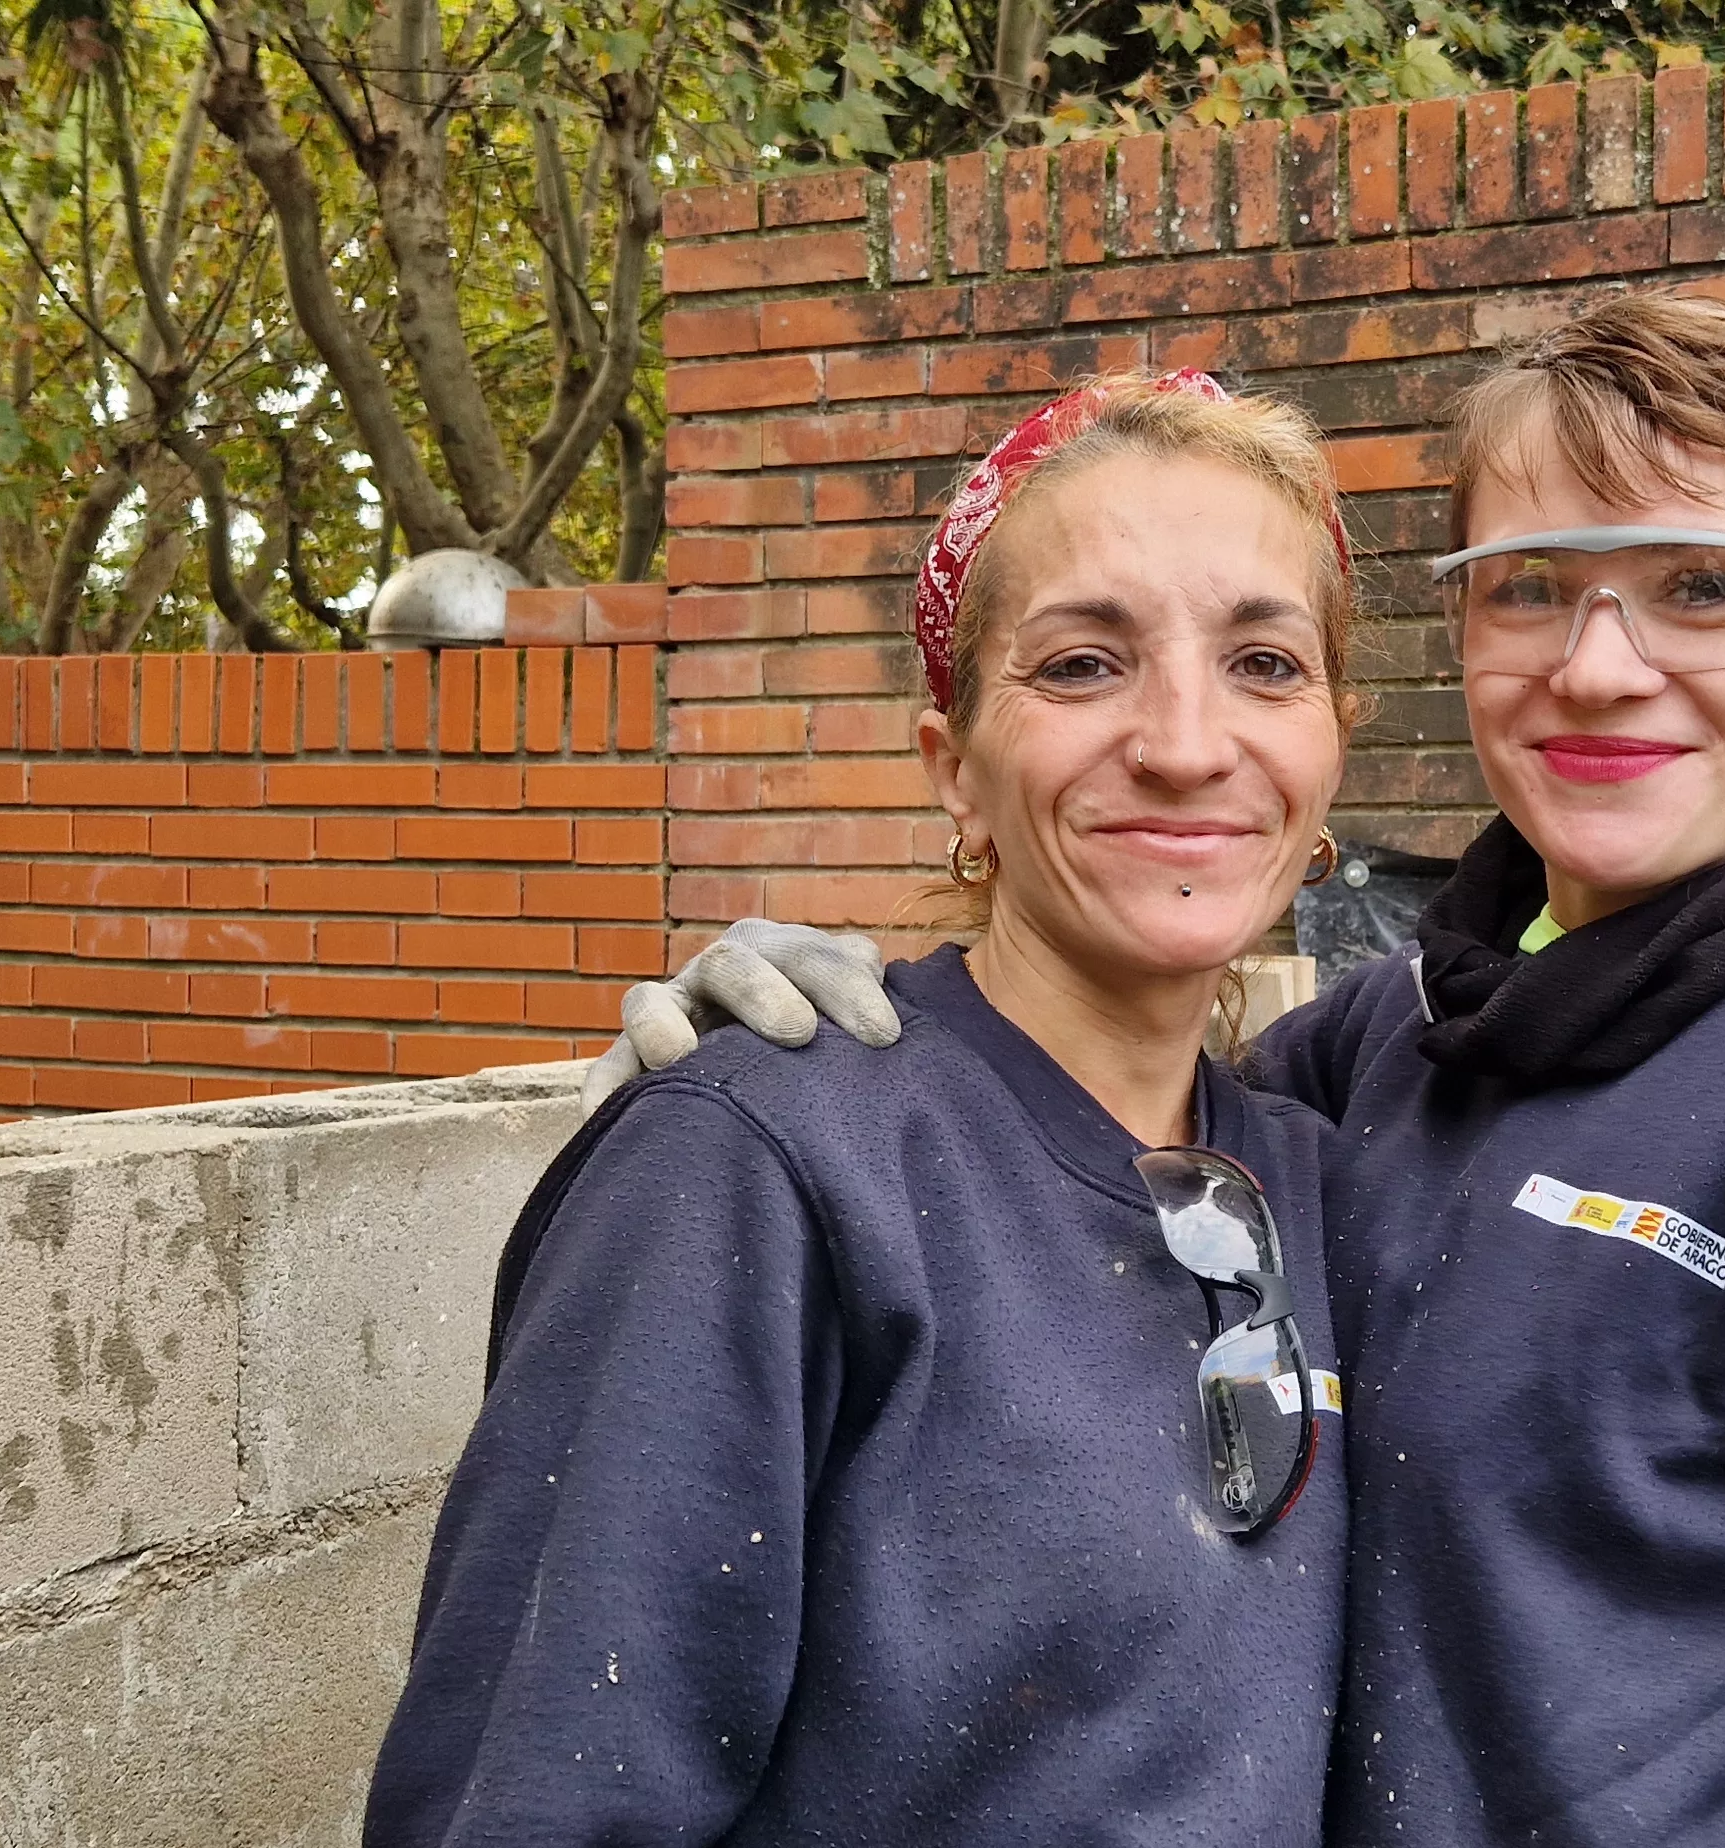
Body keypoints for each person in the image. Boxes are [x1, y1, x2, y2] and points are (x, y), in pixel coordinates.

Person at [612, 296, 1725, 1846]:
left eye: (1703, 585)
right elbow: (1068, 1127)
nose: (1599, 663)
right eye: (1535, 585)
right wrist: (810, 1034)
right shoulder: (1386, 1054)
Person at [367, 371, 1362, 1848]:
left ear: (1333, 750)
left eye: (1266, 663)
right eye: (1084, 664)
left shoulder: (1323, 1180)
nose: (1185, 741)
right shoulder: (762, 1167)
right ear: (953, 771)